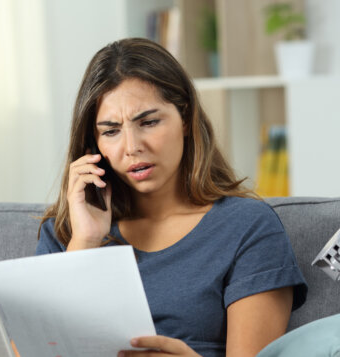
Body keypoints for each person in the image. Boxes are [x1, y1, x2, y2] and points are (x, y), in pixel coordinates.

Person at [36, 38, 307, 357]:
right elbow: (37, 348)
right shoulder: (65, 233)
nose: (132, 146)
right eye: (111, 131)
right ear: (93, 146)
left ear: (186, 121)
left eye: (148, 122)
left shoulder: (247, 227)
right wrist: (86, 242)